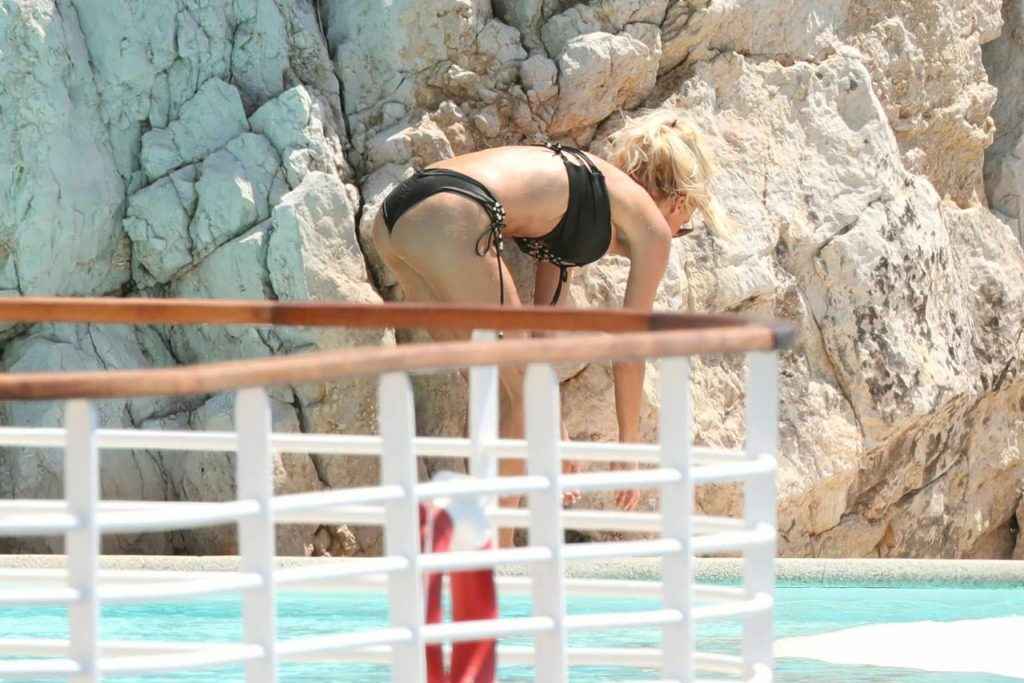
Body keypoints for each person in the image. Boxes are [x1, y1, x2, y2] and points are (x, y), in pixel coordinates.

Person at [371, 109, 726, 548]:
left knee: (494, 387)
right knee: (518, 392)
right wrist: (629, 451)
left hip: (396, 219)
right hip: (452, 213)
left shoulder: (587, 193)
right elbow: (630, 349)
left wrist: (555, 429)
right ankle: (496, 556)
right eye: (684, 224)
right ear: (679, 201)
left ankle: (475, 548)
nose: (676, 231)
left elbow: (541, 332)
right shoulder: (652, 228)